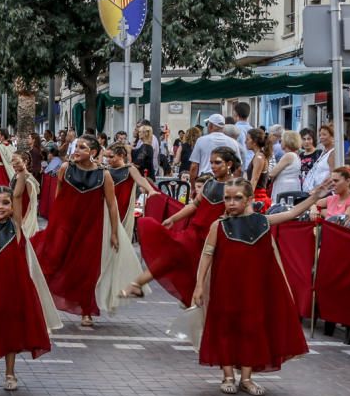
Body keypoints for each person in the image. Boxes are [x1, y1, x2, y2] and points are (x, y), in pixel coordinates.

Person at [192, 179, 325, 396]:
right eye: (227, 198)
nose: (231, 203)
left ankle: (246, 378)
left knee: (251, 328)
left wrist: (315, 197)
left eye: (237, 198)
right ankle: (227, 375)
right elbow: (206, 256)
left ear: (249, 199)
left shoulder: (263, 221)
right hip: (225, 286)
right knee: (225, 327)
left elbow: (290, 214)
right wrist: (199, 285)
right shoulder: (219, 225)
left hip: (254, 287)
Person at [0, 186, 57, 392]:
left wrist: (21, 172)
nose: (1, 207)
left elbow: (18, 194)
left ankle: (10, 373)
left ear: (12, 207)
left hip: (13, 291)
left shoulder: (16, 228)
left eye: (5, 203)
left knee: (11, 330)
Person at [32, 135, 120, 327]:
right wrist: (54, 223)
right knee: (52, 259)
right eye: (76, 147)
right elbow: (59, 196)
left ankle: (85, 311)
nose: (76, 150)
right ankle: (39, 302)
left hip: (90, 228)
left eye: (82, 147)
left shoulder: (104, 175)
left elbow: (112, 205)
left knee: (86, 268)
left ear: (94, 152)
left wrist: (114, 232)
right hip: (64, 224)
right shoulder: (65, 168)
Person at [134, 146, 240, 306]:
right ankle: (138, 284)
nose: (213, 166)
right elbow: (194, 205)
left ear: (229, 164)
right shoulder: (209, 183)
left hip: (218, 237)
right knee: (173, 255)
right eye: (211, 162)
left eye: (217, 162)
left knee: (213, 278)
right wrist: (173, 219)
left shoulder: (237, 186)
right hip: (196, 234)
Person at [105, 144, 157, 299]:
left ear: (121, 155)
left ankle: (132, 282)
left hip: (125, 213)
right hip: (108, 212)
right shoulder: (105, 171)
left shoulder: (130, 169)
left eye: (111, 156)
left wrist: (151, 190)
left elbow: (140, 179)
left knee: (123, 247)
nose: (109, 160)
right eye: (107, 157)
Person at [189, 114, 241, 180]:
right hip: (225, 181)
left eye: (207, 124)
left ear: (210, 126)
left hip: (205, 180)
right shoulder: (233, 142)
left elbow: (194, 166)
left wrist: (193, 187)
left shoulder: (201, 140)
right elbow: (238, 167)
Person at [268, 130, 302, 203]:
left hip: (284, 187)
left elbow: (272, 173)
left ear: (287, 141)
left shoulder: (288, 155)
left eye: (282, 140)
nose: (280, 142)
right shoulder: (295, 155)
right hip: (292, 185)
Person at [302, 124, 337, 192]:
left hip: (321, 193)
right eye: (320, 135)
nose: (321, 137)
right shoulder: (323, 152)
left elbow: (332, 175)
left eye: (324, 134)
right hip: (312, 191)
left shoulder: (332, 153)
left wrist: (317, 189)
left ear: (332, 137)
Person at [245, 128, 272, 211]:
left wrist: (248, 198)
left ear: (254, 142)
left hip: (258, 196)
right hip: (256, 194)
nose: (245, 142)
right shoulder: (258, 156)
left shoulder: (259, 157)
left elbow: (254, 179)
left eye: (247, 139)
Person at [232, 101, 253, 168]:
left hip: (240, 165)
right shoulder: (252, 129)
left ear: (236, 113)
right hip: (252, 164)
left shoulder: (234, 129)